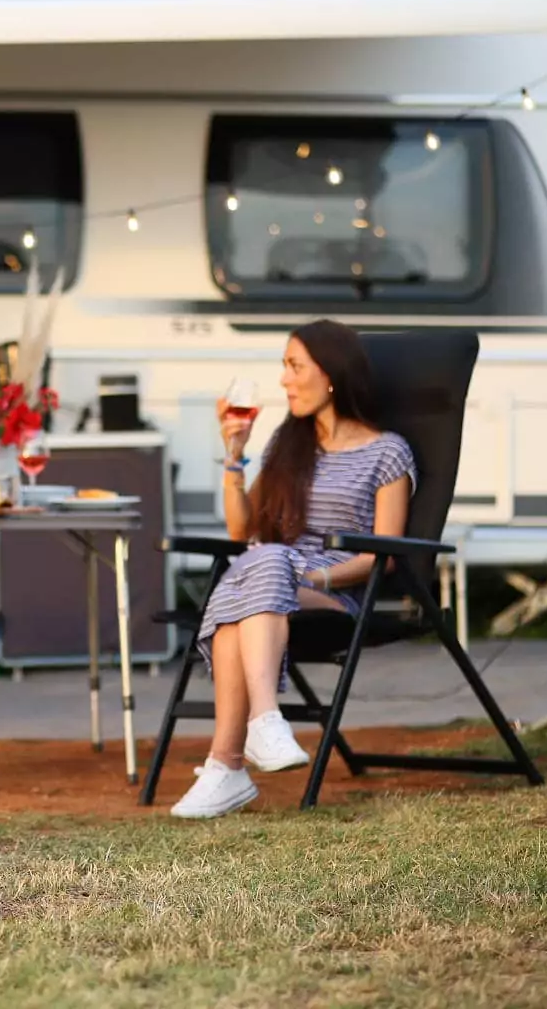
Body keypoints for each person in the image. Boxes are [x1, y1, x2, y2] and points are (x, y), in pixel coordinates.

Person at [170, 319, 416, 820]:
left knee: (262, 568)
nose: (283, 379)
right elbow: (242, 530)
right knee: (262, 563)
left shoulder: (388, 451)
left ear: (331, 374)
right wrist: (234, 457)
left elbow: (384, 556)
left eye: (293, 366)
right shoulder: (289, 443)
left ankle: (230, 763)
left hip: (333, 588)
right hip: (271, 576)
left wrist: (315, 576)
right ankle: (248, 742)